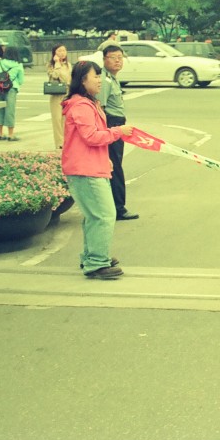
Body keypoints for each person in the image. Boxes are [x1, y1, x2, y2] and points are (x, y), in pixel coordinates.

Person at [62, 60, 134, 279]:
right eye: (95, 76)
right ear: (83, 80)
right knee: (104, 214)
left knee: (95, 216)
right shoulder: (82, 107)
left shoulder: (86, 103)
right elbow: (91, 136)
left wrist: (106, 159)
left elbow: (89, 139)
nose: (100, 80)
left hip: (90, 167)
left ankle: (93, 256)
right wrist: (118, 131)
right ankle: (96, 262)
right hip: (85, 170)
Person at [97, 45, 138, 221]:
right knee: (114, 167)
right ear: (105, 59)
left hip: (117, 123)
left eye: (120, 57)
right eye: (113, 57)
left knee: (114, 165)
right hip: (111, 123)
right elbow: (100, 109)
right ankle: (118, 208)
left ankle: (113, 206)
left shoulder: (112, 78)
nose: (118, 61)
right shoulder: (105, 81)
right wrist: (109, 131)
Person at [0, 43, 24, 141]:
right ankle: (10, 134)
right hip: (11, 89)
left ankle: (0, 133)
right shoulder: (18, 65)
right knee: (10, 111)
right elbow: (21, 81)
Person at [47, 44, 71, 149]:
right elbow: (56, 76)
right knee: (57, 119)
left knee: (66, 120)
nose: (62, 53)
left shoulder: (68, 65)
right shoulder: (50, 65)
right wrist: (57, 63)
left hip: (67, 94)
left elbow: (69, 79)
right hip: (56, 94)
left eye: (64, 50)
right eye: (59, 51)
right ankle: (59, 143)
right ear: (54, 53)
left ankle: (67, 141)